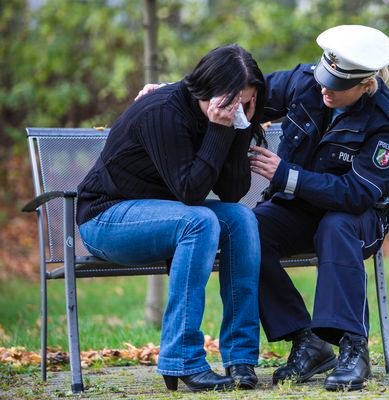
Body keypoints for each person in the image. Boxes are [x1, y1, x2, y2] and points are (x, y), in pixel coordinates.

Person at [137, 25, 389, 391]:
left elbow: (356, 194)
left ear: (365, 84)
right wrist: (176, 93)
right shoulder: (307, 82)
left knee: (336, 225)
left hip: (358, 216)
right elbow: (243, 86)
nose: (325, 88)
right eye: (325, 76)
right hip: (297, 208)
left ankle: (353, 347)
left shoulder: (388, 124)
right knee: (248, 229)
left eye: (338, 85)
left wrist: (288, 175)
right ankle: (306, 342)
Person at [77, 44, 266, 392]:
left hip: (165, 215)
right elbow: (191, 193)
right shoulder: (164, 111)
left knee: (240, 218)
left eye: (246, 103)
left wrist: (239, 129)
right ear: (208, 88)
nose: (237, 110)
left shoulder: (227, 117)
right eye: (232, 102)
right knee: (200, 221)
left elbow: (232, 192)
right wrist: (220, 130)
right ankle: (182, 359)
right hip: (106, 217)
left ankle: (240, 358)